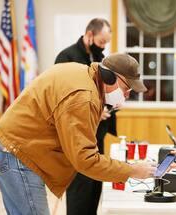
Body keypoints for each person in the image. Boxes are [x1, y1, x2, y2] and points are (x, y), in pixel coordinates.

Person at [0, 53, 156, 215]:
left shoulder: (83, 75)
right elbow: (86, 160)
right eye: (127, 88)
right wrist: (132, 171)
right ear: (111, 77)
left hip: (10, 145)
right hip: (16, 152)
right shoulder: (84, 96)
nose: (127, 95)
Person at [54, 18, 115, 215]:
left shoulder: (99, 57)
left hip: (98, 134)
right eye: (101, 41)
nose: (103, 46)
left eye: (106, 43)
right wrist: (95, 111)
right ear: (90, 35)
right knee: (80, 190)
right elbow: (62, 99)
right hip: (78, 136)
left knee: (95, 187)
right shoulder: (66, 57)